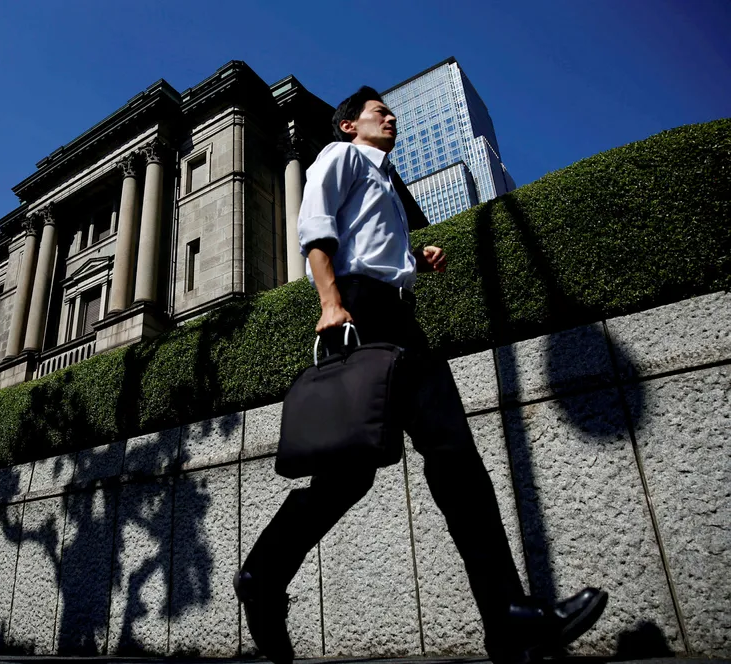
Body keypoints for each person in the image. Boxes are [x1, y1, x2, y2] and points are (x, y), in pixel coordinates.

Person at [234, 87, 608, 664]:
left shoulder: (382, 180)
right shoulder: (341, 157)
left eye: (390, 113)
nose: (391, 118)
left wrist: (413, 263)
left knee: (364, 476)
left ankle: (264, 575)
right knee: (443, 454)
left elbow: (372, 247)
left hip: (391, 309)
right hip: (361, 312)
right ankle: (506, 615)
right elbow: (316, 229)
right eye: (379, 113)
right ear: (347, 125)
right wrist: (331, 303)